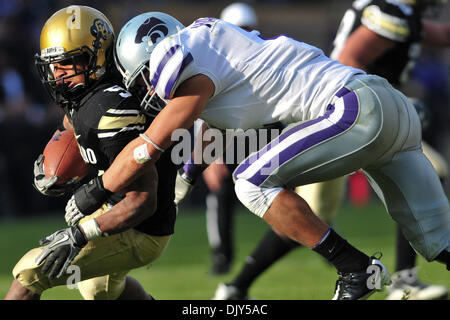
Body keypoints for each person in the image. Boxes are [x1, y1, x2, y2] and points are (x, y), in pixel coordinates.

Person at [65, 11, 450, 300]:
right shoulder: (215, 48)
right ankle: (359, 269)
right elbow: (208, 131)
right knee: (440, 241)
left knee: (251, 182)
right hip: (392, 109)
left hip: (353, 108)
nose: (150, 89)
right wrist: (183, 182)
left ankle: (355, 269)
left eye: (144, 79)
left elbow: (149, 146)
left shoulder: (174, 54)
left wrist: (92, 193)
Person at [214, 0, 450, 300]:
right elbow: (349, 60)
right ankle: (238, 285)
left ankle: (237, 286)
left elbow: (441, 34)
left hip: (364, 115)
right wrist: (391, 101)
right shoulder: (390, 13)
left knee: (310, 215)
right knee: (299, 214)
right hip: (349, 117)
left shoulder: (403, 14)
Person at [4, 6, 177, 300]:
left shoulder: (112, 110)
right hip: (113, 205)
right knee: (100, 290)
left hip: (140, 227)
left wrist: (81, 234)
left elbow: (142, 202)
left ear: (95, 56)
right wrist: (59, 159)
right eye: (53, 65)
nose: (56, 75)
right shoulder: (86, 93)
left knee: (32, 271)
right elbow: (73, 124)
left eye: (67, 64)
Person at [202, 1, 261, 276]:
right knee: (220, 192)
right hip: (231, 137)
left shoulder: (264, 56)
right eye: (238, 29)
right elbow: (203, 109)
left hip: (264, 133)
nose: (242, 34)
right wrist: (211, 155)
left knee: (289, 190)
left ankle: (302, 240)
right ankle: (221, 257)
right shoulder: (216, 62)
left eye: (246, 29)